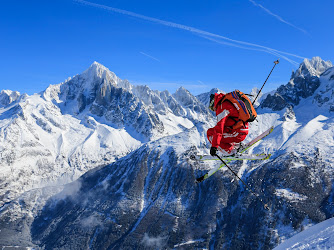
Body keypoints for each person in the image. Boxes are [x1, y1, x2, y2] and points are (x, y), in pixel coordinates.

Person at [207, 92, 249, 156]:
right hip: (241, 129)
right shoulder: (227, 102)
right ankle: (237, 146)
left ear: (213, 103)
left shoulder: (221, 107)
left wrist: (214, 146)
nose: (214, 110)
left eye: (212, 108)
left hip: (238, 133)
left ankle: (230, 152)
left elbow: (219, 129)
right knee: (216, 132)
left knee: (210, 134)